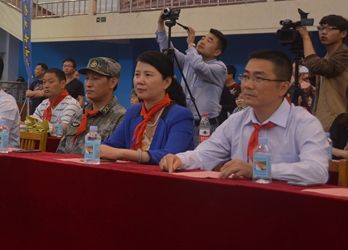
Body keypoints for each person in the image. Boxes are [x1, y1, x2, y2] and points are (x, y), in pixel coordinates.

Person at [160, 49, 329, 185]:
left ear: (283, 87)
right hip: (240, 203)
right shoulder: (236, 121)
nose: (247, 85)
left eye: (259, 78)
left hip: (286, 208)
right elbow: (205, 154)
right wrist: (179, 159)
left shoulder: (304, 123)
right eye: (246, 77)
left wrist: (258, 169)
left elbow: (317, 171)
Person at [100, 51, 194, 164]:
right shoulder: (133, 111)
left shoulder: (180, 115)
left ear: (167, 82)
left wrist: (122, 153)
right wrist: (96, 148)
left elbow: (171, 155)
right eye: (137, 74)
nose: (140, 81)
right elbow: (112, 144)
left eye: (148, 75)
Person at [156, 12, 227, 144]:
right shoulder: (189, 60)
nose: (202, 41)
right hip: (184, 122)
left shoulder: (219, 68)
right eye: (203, 38)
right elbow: (167, 50)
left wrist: (190, 45)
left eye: (209, 41)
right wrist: (161, 23)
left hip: (206, 126)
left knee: (201, 163)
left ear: (217, 52)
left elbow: (200, 67)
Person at [56, 58, 127, 155]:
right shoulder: (79, 115)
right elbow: (60, 151)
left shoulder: (121, 118)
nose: (88, 84)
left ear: (112, 83)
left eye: (95, 78)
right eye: (87, 78)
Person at [298, 14, 348, 131]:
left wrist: (305, 37)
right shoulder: (327, 57)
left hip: (338, 119)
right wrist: (311, 73)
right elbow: (322, 85)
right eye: (321, 28)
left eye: (329, 29)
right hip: (324, 118)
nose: (323, 32)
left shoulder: (345, 55)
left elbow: (318, 66)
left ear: (343, 34)